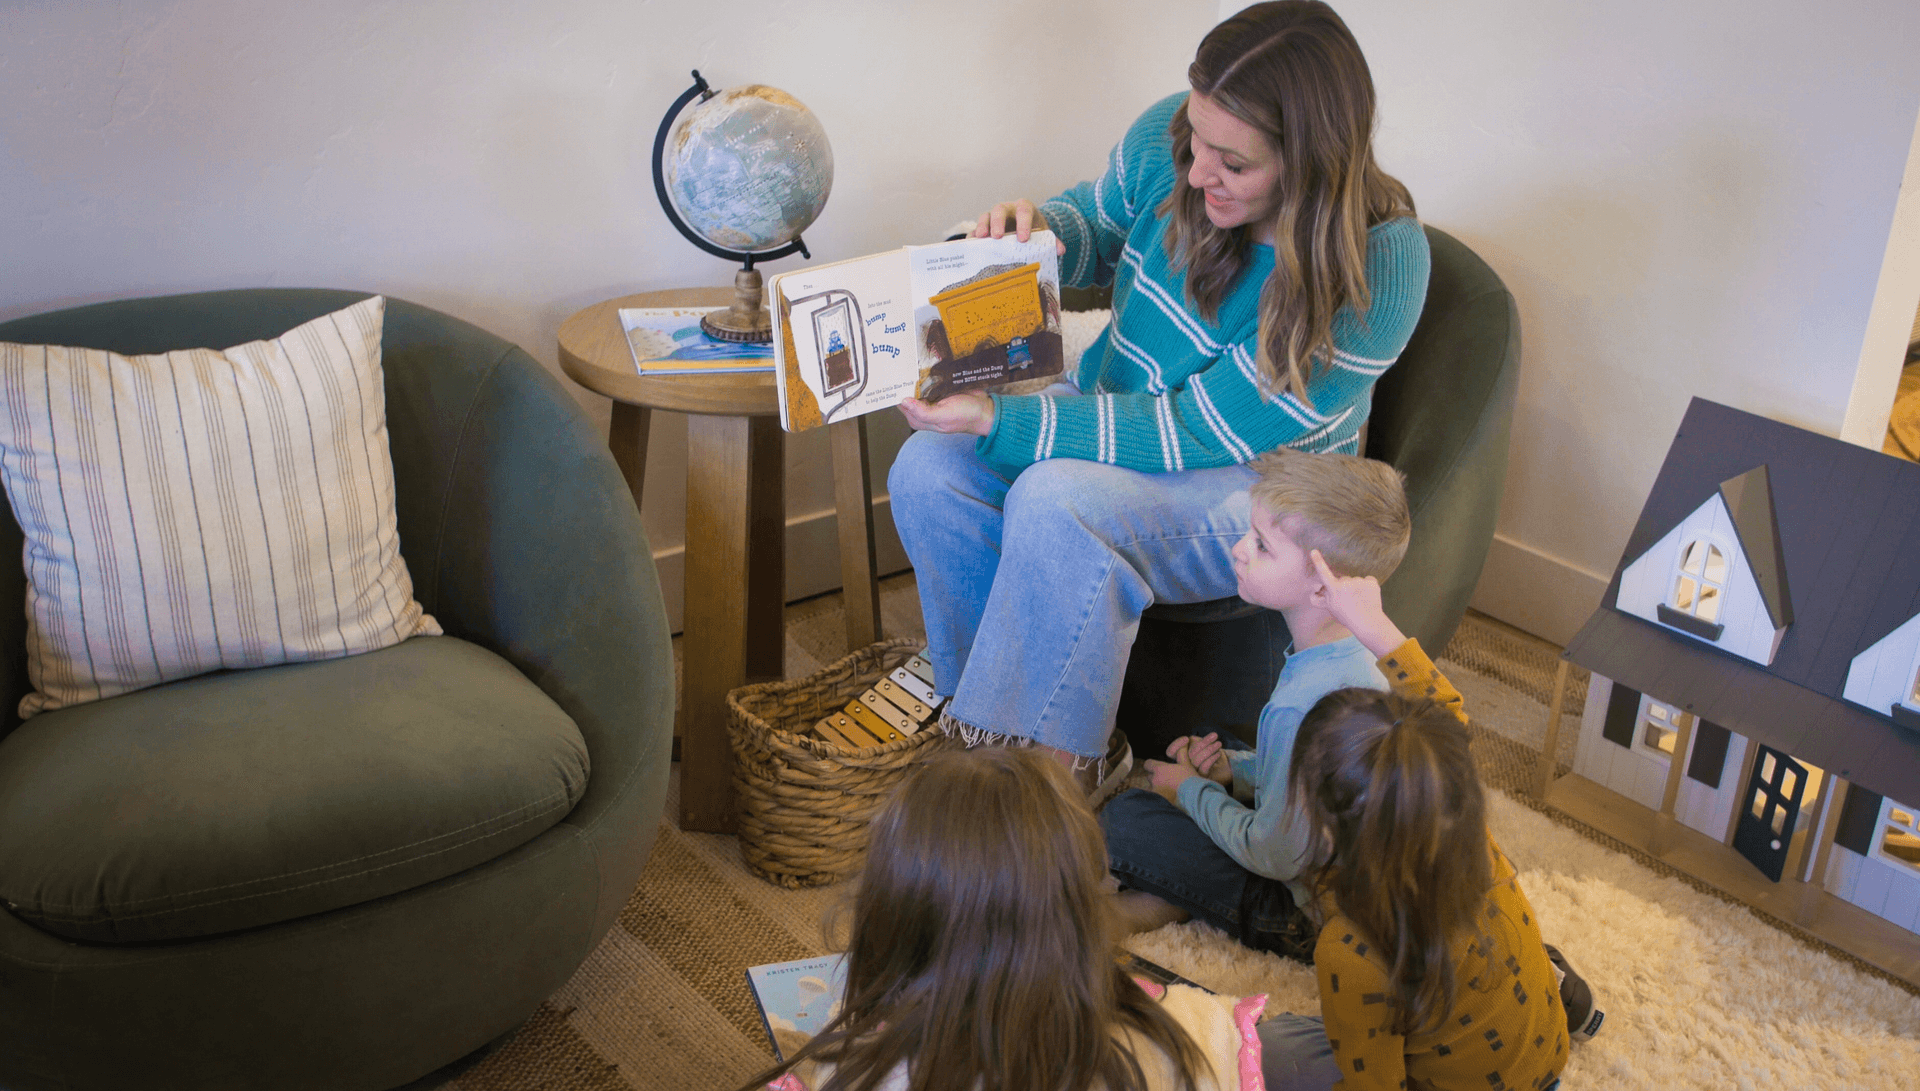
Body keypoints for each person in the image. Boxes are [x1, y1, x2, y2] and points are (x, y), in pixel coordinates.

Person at [886, 1, 1432, 792]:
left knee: (1056, 500)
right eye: (1198, 140)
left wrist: (1006, 417)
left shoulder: (1381, 265)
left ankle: (1054, 781)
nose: (1198, 171)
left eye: (1233, 164)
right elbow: (1093, 225)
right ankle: (984, 749)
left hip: (1268, 485)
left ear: (1313, 163)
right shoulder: (1175, 137)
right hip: (1130, 412)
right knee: (928, 468)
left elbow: (1193, 429)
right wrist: (1033, 238)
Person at [741, 747, 1266, 1091]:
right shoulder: (1166, 1036)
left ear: (889, 918)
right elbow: (1240, 1046)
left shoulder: (864, 1071)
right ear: (1082, 924)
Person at [1252, 552, 1578, 1091]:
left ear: (1330, 823)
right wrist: (1372, 623)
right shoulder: (1470, 837)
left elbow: (1375, 1086)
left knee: (1268, 1046)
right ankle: (1567, 992)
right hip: (1546, 1066)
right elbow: (1446, 714)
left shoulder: (1352, 948)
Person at [1101, 446, 1411, 954]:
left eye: (1262, 545)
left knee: (1126, 819)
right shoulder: (1359, 657)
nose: (1240, 549)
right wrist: (1232, 773)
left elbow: (1275, 856)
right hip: (1330, 855)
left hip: (1305, 914)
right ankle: (1180, 887)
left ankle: (1180, 899)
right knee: (1228, 747)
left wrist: (1192, 793)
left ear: (1323, 587)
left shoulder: (1304, 704)